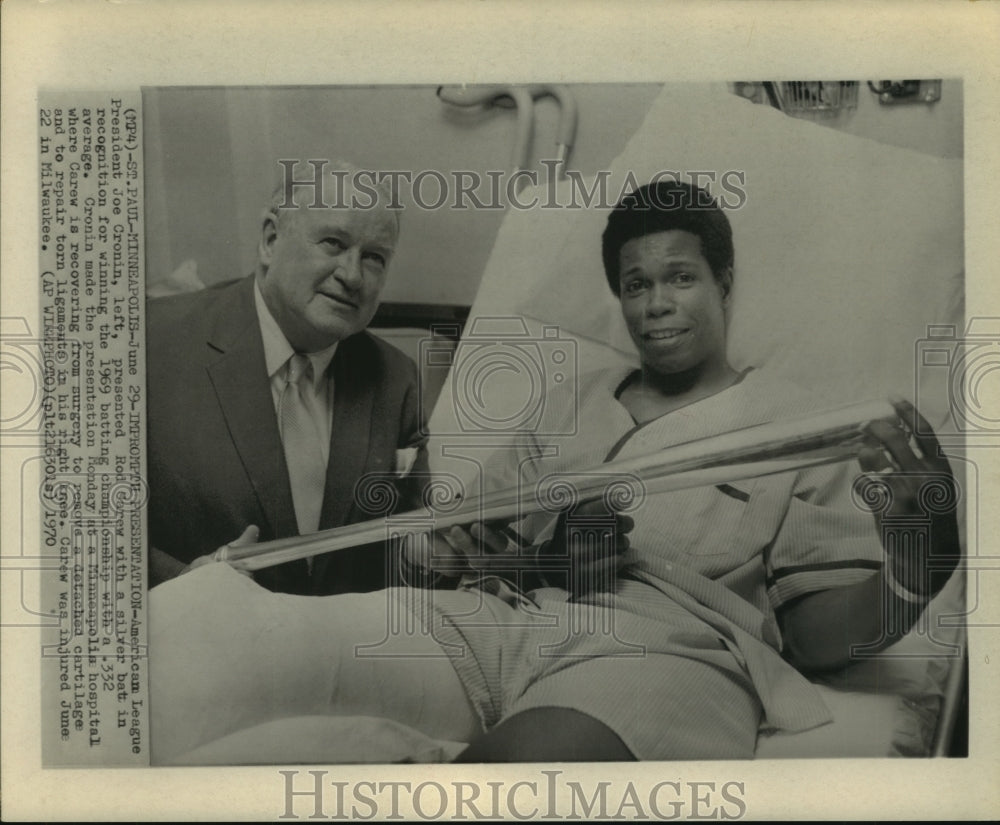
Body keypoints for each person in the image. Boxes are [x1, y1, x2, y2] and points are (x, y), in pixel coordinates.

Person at [148, 180, 961, 764]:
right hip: (493, 622)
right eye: (636, 285)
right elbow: (440, 549)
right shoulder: (564, 406)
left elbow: (817, 636)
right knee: (208, 650)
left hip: (663, 654)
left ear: (724, 284)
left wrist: (917, 568)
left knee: (500, 782)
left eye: (679, 278)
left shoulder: (789, 429)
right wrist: (503, 553)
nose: (656, 305)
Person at [146, 163, 427, 595]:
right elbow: (72, 525)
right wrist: (181, 584)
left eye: (374, 258)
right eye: (334, 243)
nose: (352, 275)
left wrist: (435, 553)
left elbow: (401, 553)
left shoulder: (395, 377)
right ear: (270, 240)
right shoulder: (147, 343)